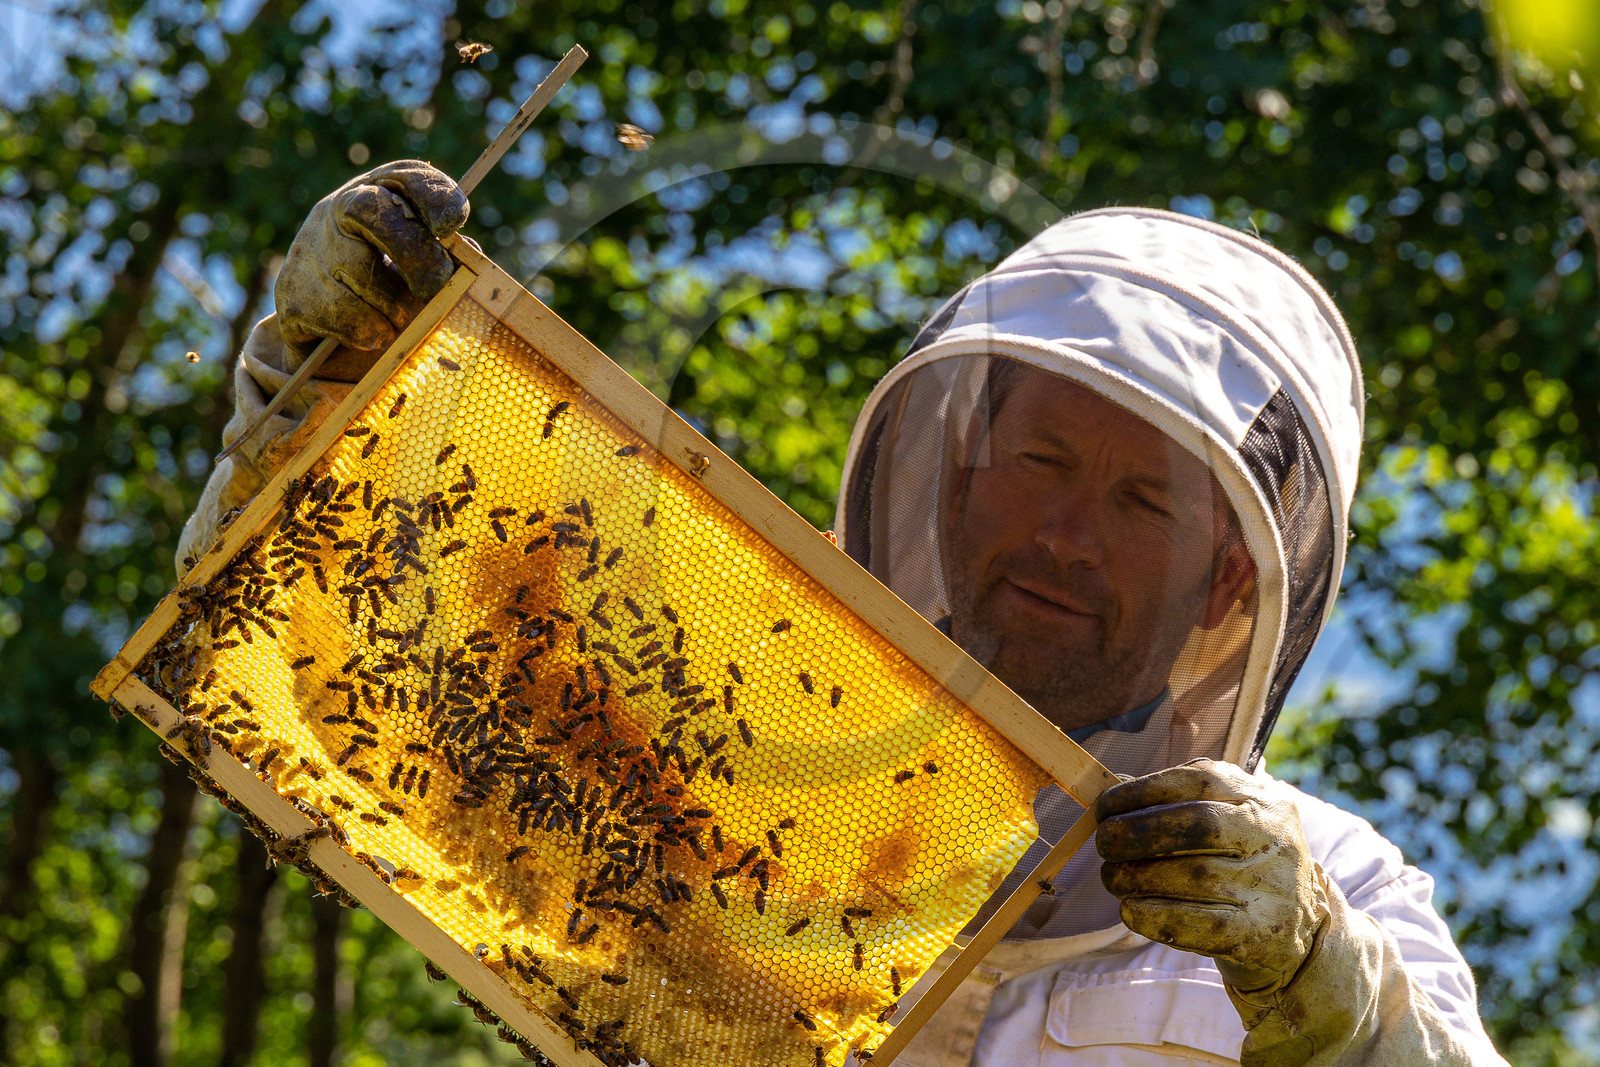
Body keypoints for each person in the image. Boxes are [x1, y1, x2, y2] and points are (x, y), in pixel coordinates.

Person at [180, 162, 1510, 1066]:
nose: (1064, 535)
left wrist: (1327, 988)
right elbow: (366, 709)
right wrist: (313, 409)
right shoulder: (744, 758)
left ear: (1232, 582)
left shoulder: (1334, 886)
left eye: (1142, 505)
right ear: (960, 468)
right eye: (1043, 462)